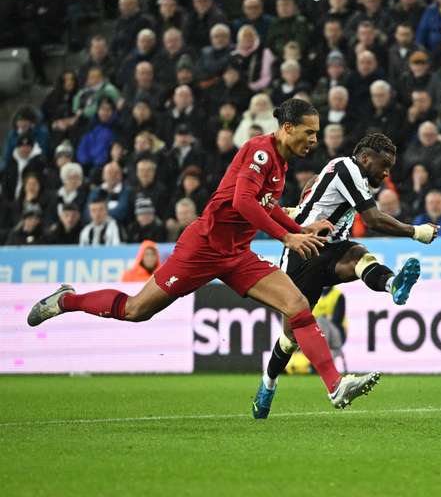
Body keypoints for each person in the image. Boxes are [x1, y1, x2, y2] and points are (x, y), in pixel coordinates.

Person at [28, 100, 378, 415]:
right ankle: (67, 300)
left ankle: (335, 385)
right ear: (287, 128)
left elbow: (265, 207)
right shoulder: (260, 152)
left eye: (317, 134)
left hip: (238, 254)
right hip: (203, 248)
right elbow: (243, 202)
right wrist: (287, 235)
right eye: (309, 132)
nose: (314, 140)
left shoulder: (281, 166)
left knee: (297, 304)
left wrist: (297, 227)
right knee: (136, 310)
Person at [260, 131, 440, 418]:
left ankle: (394, 284)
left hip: (331, 251)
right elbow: (372, 219)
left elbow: (313, 190)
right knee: (290, 335)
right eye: (383, 165)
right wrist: (416, 232)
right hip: (302, 253)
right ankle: (268, 384)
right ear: (365, 158)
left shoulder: (344, 176)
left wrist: (302, 209)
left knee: (357, 255)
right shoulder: (347, 167)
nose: (385, 173)